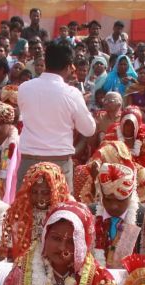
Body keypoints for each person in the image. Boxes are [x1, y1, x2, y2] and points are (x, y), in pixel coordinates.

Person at [17, 42, 96, 188]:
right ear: (68, 66)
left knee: (24, 209)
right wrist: (81, 103)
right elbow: (89, 129)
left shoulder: (24, 88)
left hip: (29, 162)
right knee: (60, 210)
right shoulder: (72, 94)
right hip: (59, 164)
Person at [0, 162, 71, 262]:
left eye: (45, 193)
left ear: (55, 191)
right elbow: (9, 249)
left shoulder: (66, 214)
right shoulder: (20, 212)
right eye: (34, 192)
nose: (39, 198)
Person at [87, 162, 143, 268]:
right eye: (108, 200)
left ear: (131, 196)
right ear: (101, 195)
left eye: (120, 200)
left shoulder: (143, 218)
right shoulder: (90, 214)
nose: (114, 206)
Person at [103, 107, 145, 172]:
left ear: (137, 125)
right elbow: (103, 157)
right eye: (126, 123)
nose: (129, 127)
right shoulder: (111, 138)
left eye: (132, 124)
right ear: (122, 123)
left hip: (139, 174)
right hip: (115, 174)